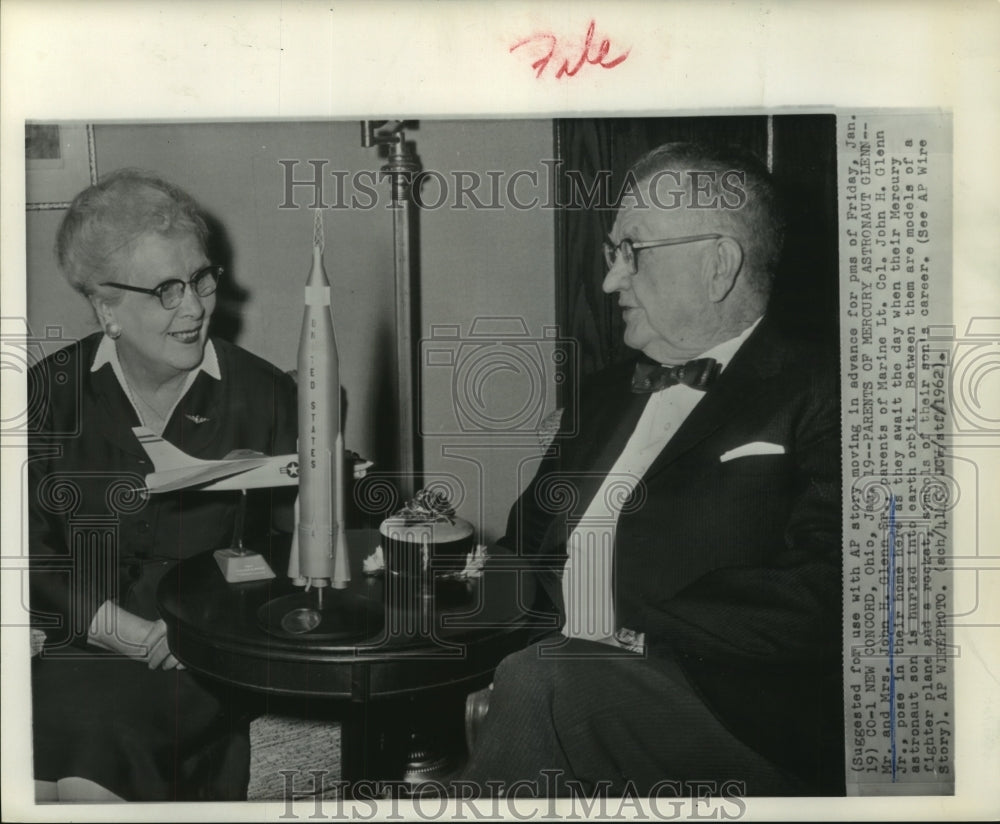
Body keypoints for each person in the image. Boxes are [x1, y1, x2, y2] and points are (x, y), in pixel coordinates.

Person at [460, 143, 844, 797]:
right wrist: (449, 568)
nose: (610, 282)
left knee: (543, 682)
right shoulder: (606, 394)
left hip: (732, 715)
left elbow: (833, 595)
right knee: (530, 677)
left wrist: (624, 624)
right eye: (613, 256)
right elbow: (527, 548)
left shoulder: (826, 391)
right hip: (569, 676)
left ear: (718, 265)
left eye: (631, 254)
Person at [28, 169, 298, 801]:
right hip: (81, 643)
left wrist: (205, 631)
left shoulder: (265, 394)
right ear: (104, 306)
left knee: (92, 750)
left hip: (203, 661)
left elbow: (298, 552)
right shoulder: (47, 394)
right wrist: (124, 632)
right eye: (166, 290)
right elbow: (26, 555)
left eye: (201, 279)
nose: (196, 307)